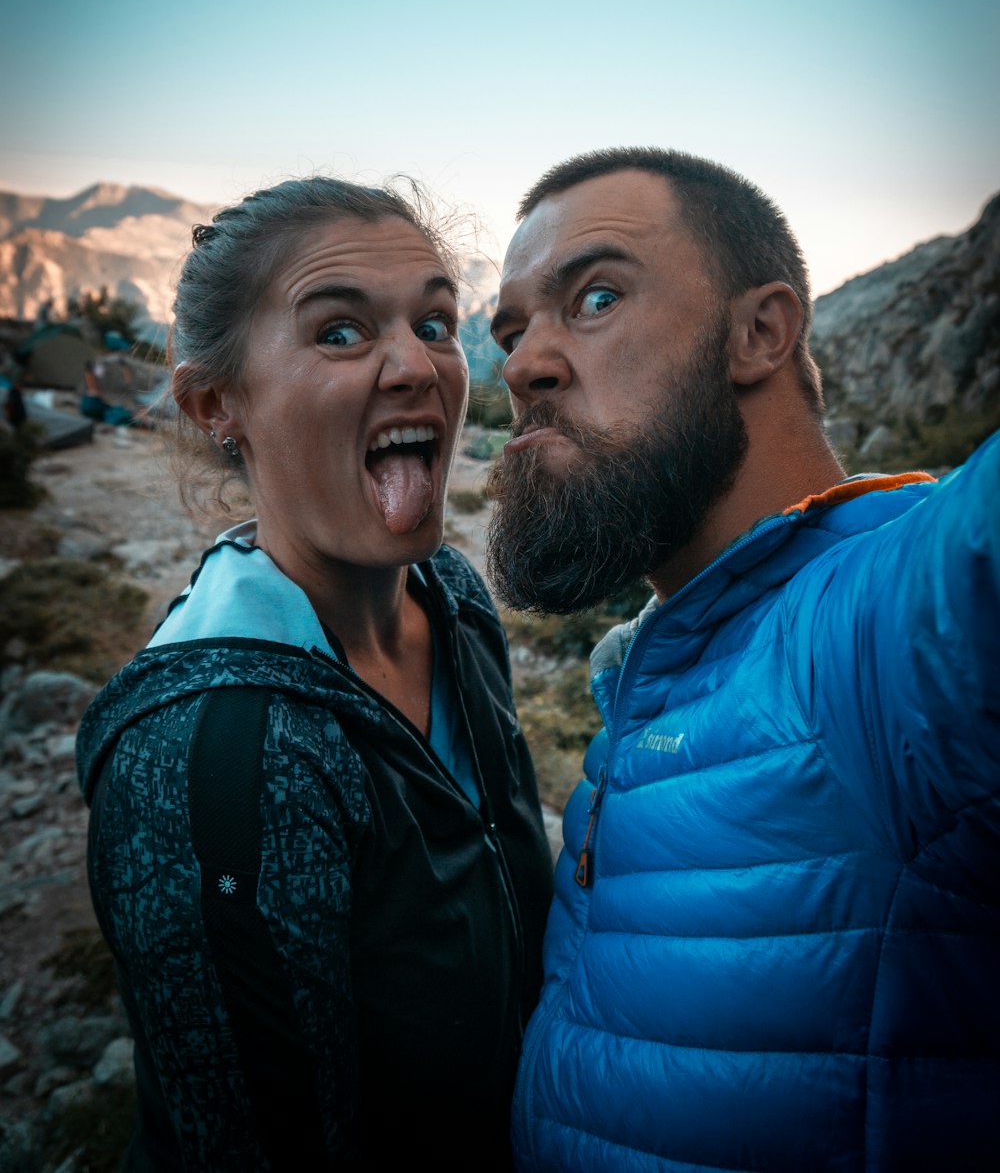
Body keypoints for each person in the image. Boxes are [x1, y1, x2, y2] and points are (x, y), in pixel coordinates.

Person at [486, 147, 1000, 1173]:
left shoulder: (868, 627)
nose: (524, 363)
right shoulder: (658, 664)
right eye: (511, 331)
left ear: (761, 332)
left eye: (591, 298)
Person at [76, 176, 553, 1171]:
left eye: (433, 321)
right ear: (218, 404)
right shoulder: (214, 752)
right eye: (340, 333)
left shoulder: (453, 600)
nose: (418, 366)